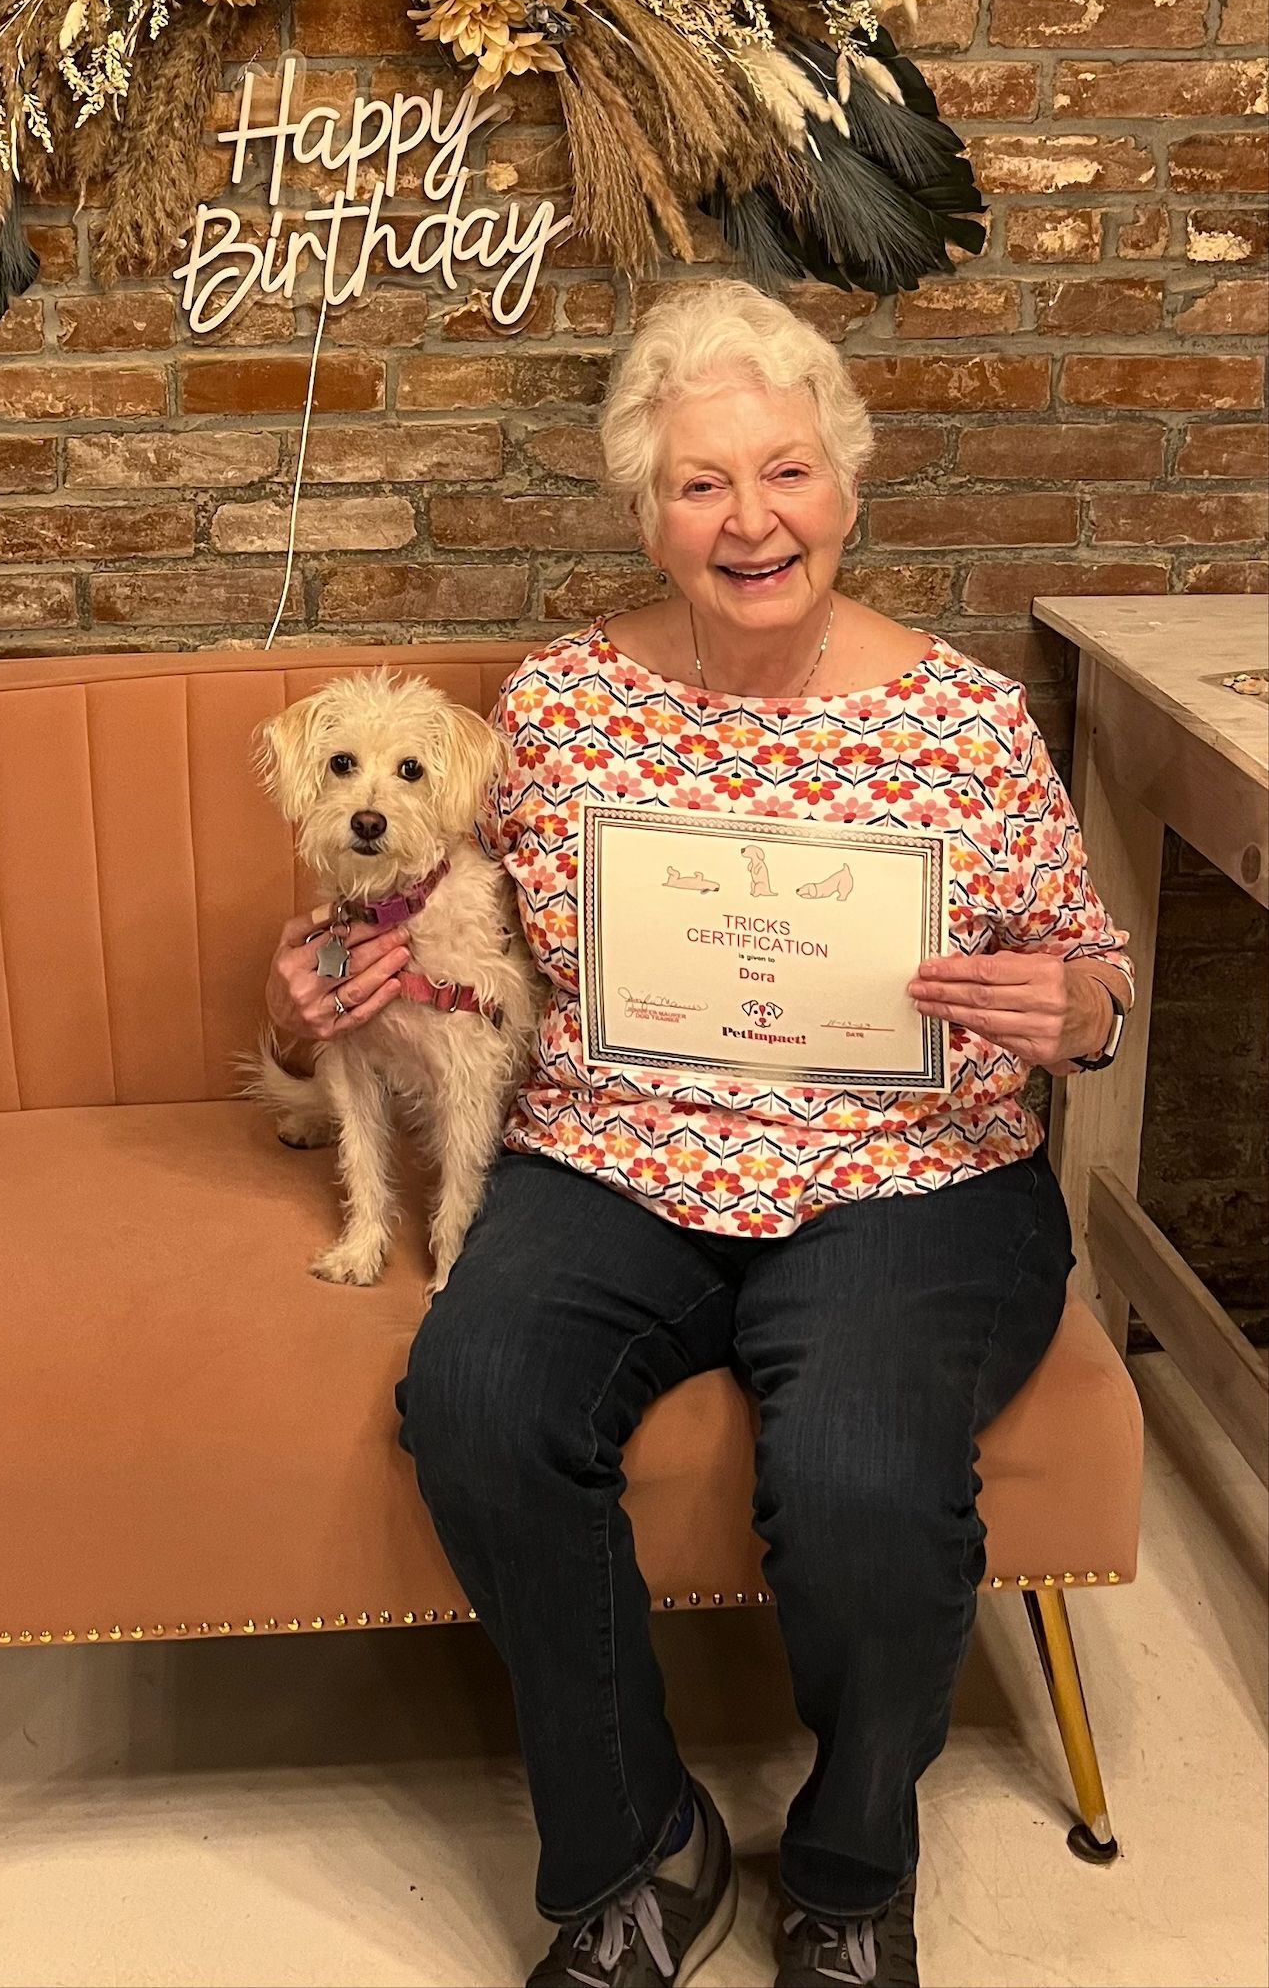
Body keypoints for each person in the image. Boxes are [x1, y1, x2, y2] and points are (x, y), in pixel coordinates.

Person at [261, 281, 1133, 1988]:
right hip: (618, 1154)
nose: (750, 519)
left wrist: (1075, 1010)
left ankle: (851, 1870)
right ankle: (640, 1842)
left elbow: (1087, 967)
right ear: (643, 514)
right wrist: (322, 971)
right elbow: (416, 884)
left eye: (785, 471)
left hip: (910, 1176)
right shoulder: (561, 705)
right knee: (475, 1396)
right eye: (699, 484)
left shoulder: (962, 720)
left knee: (865, 1477)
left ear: (847, 484)